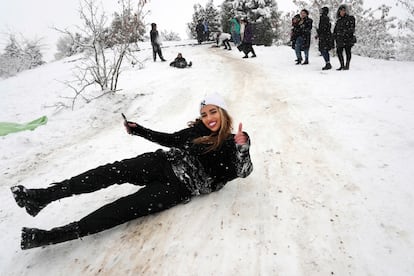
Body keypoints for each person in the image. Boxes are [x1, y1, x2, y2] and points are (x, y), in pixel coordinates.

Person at [10, 94, 253, 250]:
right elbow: (168, 139)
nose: (208, 118)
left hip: (178, 188)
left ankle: (49, 237)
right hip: (162, 163)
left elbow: (243, 172)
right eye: (204, 113)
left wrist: (242, 148)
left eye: (213, 112)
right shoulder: (196, 131)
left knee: (122, 209)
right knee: (110, 172)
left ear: (223, 113)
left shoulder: (235, 141)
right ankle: (41, 197)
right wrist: (139, 130)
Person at [333, 4, 356, 70]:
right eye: (341, 10)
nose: (342, 12)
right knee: (339, 52)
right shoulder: (338, 20)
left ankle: (347, 65)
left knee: (348, 51)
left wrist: (344, 32)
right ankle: (342, 65)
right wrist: (334, 35)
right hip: (339, 39)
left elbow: (352, 28)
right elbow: (335, 30)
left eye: (344, 10)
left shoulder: (350, 18)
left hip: (347, 38)